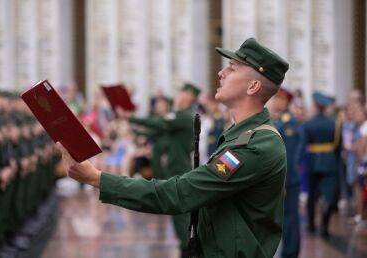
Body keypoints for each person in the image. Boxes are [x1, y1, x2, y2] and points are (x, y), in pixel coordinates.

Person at [57, 37, 289, 257]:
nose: (221, 73)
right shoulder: (241, 134)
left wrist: (96, 178)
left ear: (253, 86)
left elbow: (178, 194)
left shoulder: (255, 146)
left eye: (232, 68)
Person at [120, 84, 200, 255]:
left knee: (181, 215)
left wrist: (131, 118)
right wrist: (131, 122)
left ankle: (188, 250)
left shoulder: (185, 116)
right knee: (177, 214)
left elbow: (159, 123)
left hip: (179, 170)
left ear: (188, 97)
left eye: (181, 93)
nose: (177, 97)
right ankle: (185, 248)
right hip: (170, 170)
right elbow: (155, 129)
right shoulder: (177, 117)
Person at [301, 91, 339, 238]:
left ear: (316, 105)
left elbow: (304, 145)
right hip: (330, 162)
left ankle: (311, 225)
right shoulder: (334, 123)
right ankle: (325, 226)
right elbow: (338, 146)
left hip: (312, 162)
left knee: (312, 195)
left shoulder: (308, 124)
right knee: (328, 196)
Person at [271, 89, 302, 258]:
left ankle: (290, 253)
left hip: (288, 180)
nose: (274, 101)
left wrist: (282, 181)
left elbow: (288, 157)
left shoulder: (289, 124)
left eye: (277, 98)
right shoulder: (277, 121)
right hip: (282, 179)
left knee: (290, 219)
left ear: (285, 101)